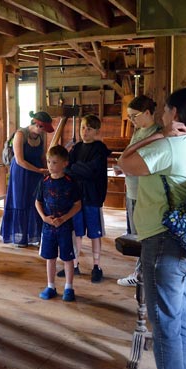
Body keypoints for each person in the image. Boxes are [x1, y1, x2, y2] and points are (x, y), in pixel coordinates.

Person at [118, 87, 186, 369]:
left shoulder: (172, 144)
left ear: (175, 114)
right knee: (179, 318)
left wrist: (157, 134)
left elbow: (125, 162)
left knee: (164, 322)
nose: (162, 115)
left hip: (164, 242)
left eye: (164, 111)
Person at [59, 114, 111, 283]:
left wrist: (77, 168)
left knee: (95, 233)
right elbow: (67, 168)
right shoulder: (76, 148)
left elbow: (92, 171)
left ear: (96, 130)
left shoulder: (100, 149)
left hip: (93, 196)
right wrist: (79, 169)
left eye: (89, 128)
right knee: (77, 232)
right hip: (77, 197)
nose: (84, 131)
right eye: (82, 127)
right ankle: (74, 265)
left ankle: (97, 266)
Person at [115, 95, 161, 287]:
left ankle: (143, 273)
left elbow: (145, 162)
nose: (132, 120)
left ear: (148, 113)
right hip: (132, 189)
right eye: (129, 116)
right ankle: (140, 271)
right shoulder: (139, 131)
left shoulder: (157, 134)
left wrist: (126, 166)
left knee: (144, 235)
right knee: (134, 233)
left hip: (145, 191)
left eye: (134, 116)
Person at [35, 145, 82, 301]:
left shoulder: (71, 182)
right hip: (48, 226)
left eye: (54, 162)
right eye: (48, 162)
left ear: (64, 163)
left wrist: (64, 218)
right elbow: (38, 202)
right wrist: (43, 217)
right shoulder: (44, 181)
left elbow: (77, 205)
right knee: (50, 257)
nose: (50, 165)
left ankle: (69, 287)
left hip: (66, 227)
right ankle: (51, 286)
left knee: (68, 258)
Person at [0, 111, 53, 247]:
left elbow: (42, 156)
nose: (43, 132)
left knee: (36, 201)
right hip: (21, 173)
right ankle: (21, 237)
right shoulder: (20, 135)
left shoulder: (40, 138)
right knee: (21, 201)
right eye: (43, 129)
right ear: (37, 125)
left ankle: (36, 235)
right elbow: (20, 160)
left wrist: (48, 170)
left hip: (36, 173)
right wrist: (39, 170)